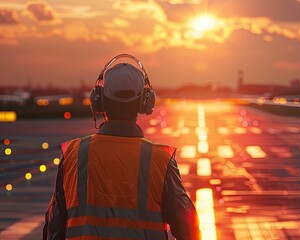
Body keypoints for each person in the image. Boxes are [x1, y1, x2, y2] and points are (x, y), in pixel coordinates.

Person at [43, 54, 201, 239]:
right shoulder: (160, 160)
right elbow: (188, 227)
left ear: (98, 101)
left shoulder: (74, 154)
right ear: (145, 102)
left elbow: (54, 228)